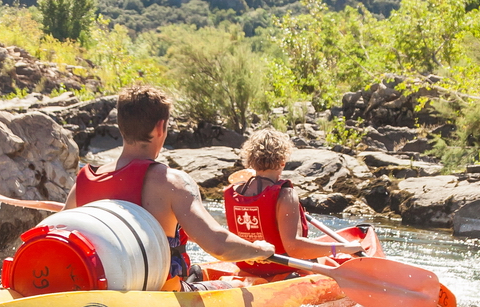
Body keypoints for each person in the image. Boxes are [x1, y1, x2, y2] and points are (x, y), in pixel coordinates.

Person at [57, 85, 274, 290]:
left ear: (121, 126)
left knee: (197, 271)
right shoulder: (171, 182)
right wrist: (260, 250)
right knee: (243, 285)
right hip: (162, 295)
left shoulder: (84, 181)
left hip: (99, 293)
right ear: (161, 127)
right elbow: (218, 245)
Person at [223, 129, 361, 283]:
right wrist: (341, 247)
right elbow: (294, 248)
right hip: (286, 268)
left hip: (247, 266)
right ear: (283, 162)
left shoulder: (231, 192)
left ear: (250, 161)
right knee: (329, 261)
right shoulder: (285, 194)